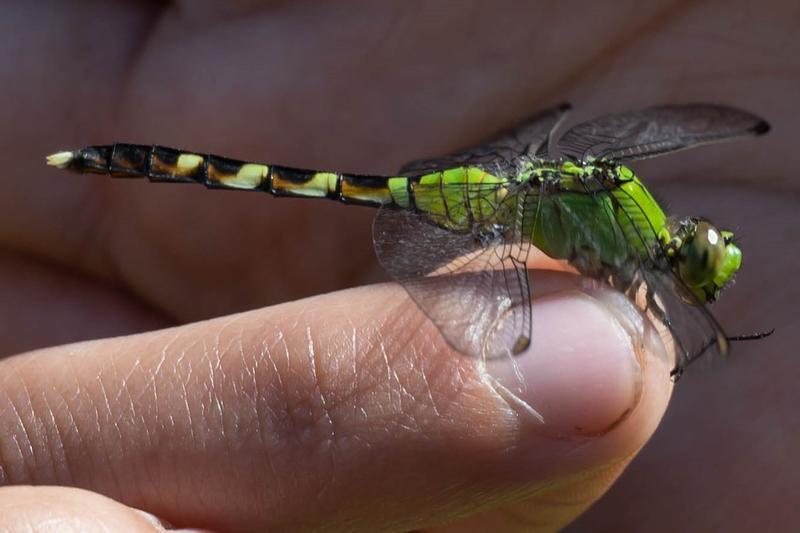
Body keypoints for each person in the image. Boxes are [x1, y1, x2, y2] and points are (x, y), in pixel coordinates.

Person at [0, 2, 793, 531]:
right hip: (476, 193)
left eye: (693, 251)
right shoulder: (620, 227)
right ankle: (133, 160)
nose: (682, 270)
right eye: (688, 256)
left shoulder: (635, 230)